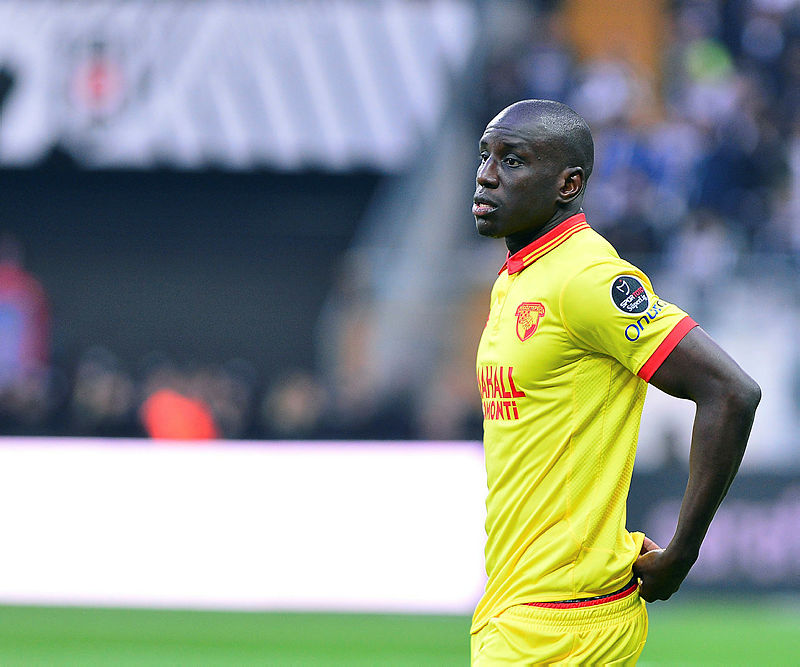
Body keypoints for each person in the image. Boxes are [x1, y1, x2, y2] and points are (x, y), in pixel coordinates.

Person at [470, 99, 760, 665]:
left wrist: (682, 553)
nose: (486, 175)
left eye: (513, 160)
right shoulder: (518, 277)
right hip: (519, 605)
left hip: (563, 621)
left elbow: (731, 392)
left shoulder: (588, 278)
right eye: (485, 156)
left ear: (568, 184)